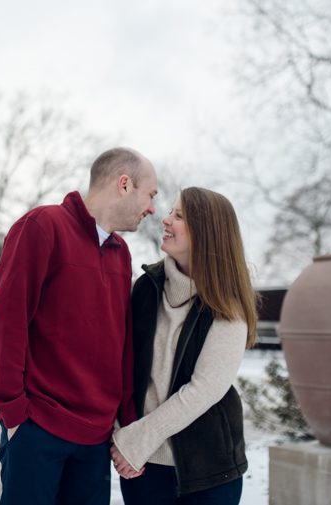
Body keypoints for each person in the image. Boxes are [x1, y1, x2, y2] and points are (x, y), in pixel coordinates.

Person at [0, 147, 158, 505]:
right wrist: (13, 413)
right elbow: (7, 324)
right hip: (38, 428)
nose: (153, 207)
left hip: (94, 439)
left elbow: (120, 343)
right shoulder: (41, 227)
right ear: (124, 184)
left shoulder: (120, 252)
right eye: (150, 194)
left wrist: (123, 420)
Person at [110, 187, 259, 505]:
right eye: (170, 212)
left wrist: (138, 439)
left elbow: (204, 389)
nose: (165, 220)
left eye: (178, 216)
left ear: (206, 232)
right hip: (143, 468)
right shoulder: (146, 288)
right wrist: (120, 431)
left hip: (207, 472)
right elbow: (121, 364)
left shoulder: (226, 305)